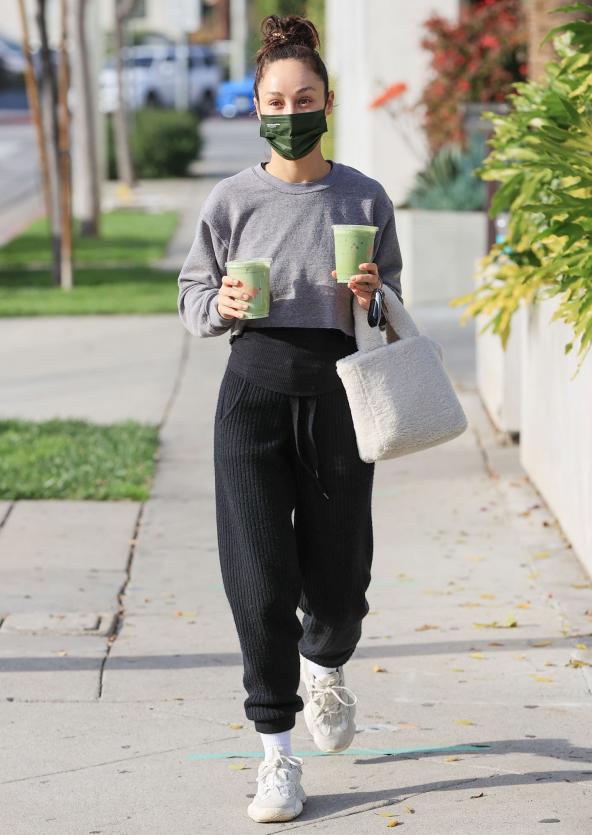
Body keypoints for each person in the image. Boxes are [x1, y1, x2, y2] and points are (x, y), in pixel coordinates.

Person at [177, 13, 403, 824]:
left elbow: (394, 307)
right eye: (276, 98)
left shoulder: (364, 196)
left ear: (327, 102)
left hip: (342, 396)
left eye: (303, 96)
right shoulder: (231, 199)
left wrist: (374, 297)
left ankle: (325, 660)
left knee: (341, 584)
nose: (289, 109)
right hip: (252, 396)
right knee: (259, 581)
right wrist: (222, 302)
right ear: (258, 107)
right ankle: (277, 755)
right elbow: (192, 296)